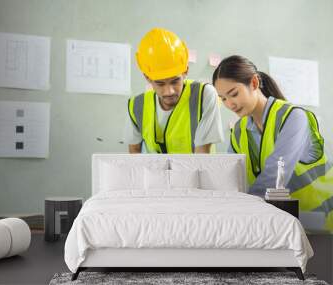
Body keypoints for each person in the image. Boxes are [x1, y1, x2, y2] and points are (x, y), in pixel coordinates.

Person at [212, 55, 333, 232]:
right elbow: (229, 177)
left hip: (321, 227)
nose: (230, 104)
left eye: (234, 94)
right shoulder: (239, 131)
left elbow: (274, 175)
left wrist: (238, 211)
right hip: (283, 226)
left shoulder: (293, 117)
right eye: (223, 99)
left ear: (253, 83)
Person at [124, 28, 223, 154]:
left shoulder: (204, 95)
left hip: (198, 172)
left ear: (186, 70)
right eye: (160, 83)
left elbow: (203, 153)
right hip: (156, 173)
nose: (169, 91)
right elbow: (134, 152)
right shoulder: (137, 106)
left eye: (175, 81)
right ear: (147, 78)